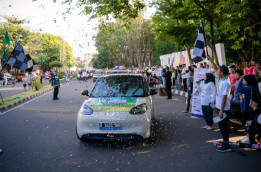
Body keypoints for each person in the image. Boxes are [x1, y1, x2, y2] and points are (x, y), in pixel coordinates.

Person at [207, 56, 232, 152]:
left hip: (224, 108)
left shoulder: (226, 83)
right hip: (220, 107)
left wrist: (221, 111)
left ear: (222, 73)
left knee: (223, 127)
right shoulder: (222, 79)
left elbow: (224, 97)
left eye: (219, 71)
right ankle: (225, 142)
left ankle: (226, 145)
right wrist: (210, 59)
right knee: (222, 126)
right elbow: (215, 68)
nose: (217, 71)